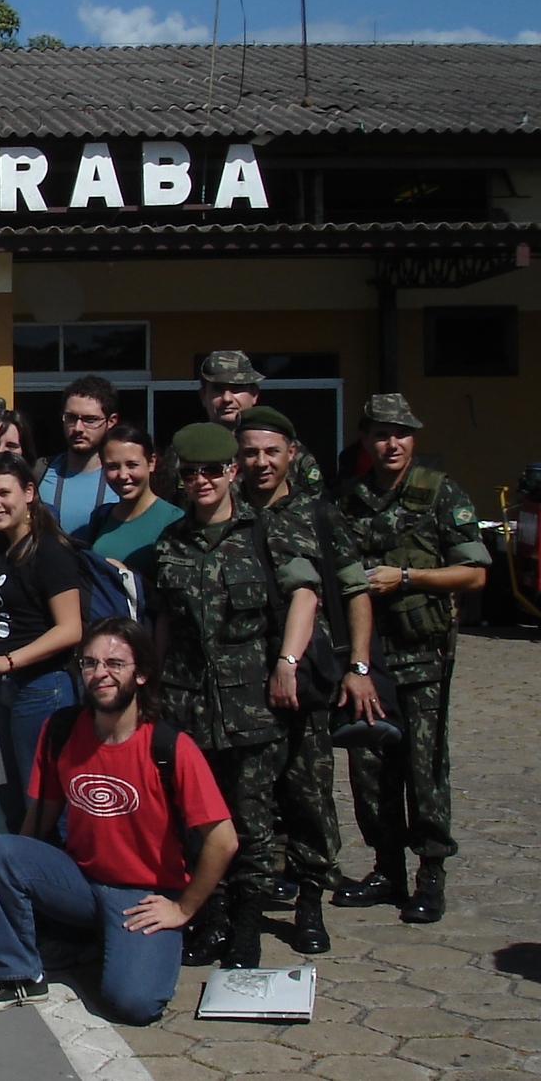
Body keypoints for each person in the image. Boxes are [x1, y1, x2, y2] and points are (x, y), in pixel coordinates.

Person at [0, 618, 237, 1023]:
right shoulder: (61, 731)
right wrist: (5, 873)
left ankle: (102, 942)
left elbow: (224, 841)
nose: (100, 674)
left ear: (141, 674)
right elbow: (40, 822)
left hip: (142, 897)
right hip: (81, 882)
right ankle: (19, 976)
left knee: (134, 1005)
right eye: (90, 663)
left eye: (115, 663)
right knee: (2, 850)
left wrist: (183, 908)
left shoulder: (170, 746)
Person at [150, 423, 322, 969]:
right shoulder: (171, 542)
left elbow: (305, 595)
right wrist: (151, 686)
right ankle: (213, 919)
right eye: (191, 472)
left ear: (231, 472)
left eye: (211, 471)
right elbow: (163, 625)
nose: (201, 481)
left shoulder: (267, 532)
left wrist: (287, 664)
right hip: (186, 706)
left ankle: (247, 928)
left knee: (252, 822)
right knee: (198, 822)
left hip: (250, 706)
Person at [331, 394, 490, 923]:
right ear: (366, 440)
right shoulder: (347, 500)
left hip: (423, 656)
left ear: (412, 440)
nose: (391, 443)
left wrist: (407, 578)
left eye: (400, 434)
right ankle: (386, 869)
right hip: (368, 659)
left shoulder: (439, 494)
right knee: (369, 769)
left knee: (424, 770)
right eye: (380, 434)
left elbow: (474, 572)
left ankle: (430, 874)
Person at [236, 405, 381, 954]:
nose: (260, 462)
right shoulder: (227, 513)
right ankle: (253, 895)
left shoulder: (318, 515)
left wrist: (359, 667)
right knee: (250, 797)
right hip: (243, 680)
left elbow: (354, 591)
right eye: (250, 452)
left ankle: (311, 900)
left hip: (308, 679)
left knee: (309, 793)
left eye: (271, 451)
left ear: (291, 454)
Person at [0, 453, 84, 827]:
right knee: (18, 801)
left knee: (44, 800)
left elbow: (69, 628)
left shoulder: (50, 551)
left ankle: (56, 879)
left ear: (29, 492)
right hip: (4, 690)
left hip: (42, 690)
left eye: (3, 493)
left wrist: (6, 661)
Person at [158, 351, 324, 503]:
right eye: (218, 389)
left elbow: (317, 509)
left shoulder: (287, 452)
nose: (227, 398)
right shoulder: (183, 451)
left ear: (254, 394)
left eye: (236, 388)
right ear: (203, 395)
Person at [75, 425, 183, 582]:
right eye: (113, 467)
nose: (123, 475)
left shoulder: (175, 520)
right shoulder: (101, 516)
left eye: (132, 465)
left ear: (151, 462)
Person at [38, 375, 120, 534]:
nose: (78, 428)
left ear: (111, 421)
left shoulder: (123, 479)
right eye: (71, 417)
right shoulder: (40, 472)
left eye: (90, 419)